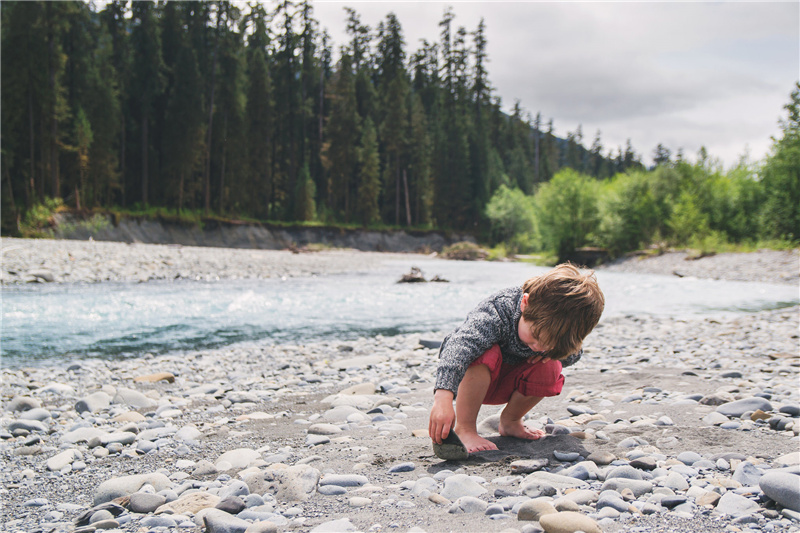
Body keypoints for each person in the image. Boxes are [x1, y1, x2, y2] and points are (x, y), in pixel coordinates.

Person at [428, 263, 604, 453]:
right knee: (485, 351)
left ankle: (510, 421)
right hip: (473, 382)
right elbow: (459, 345)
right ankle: (465, 429)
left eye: (549, 344)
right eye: (536, 336)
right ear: (525, 304)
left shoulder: (556, 336)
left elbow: (575, 354)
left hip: (512, 387)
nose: (539, 347)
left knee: (551, 365)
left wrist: (555, 354)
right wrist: (443, 397)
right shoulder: (499, 309)